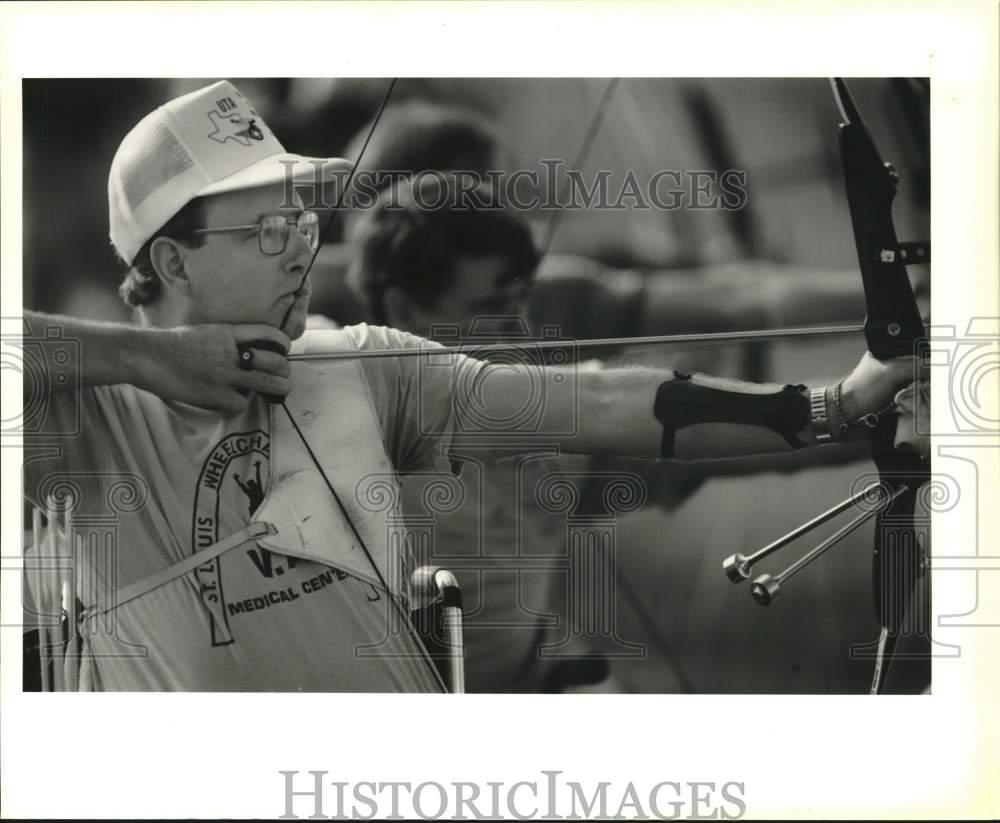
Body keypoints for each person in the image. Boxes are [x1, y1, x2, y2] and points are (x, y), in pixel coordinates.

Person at [22, 80, 924, 692]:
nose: (301, 239)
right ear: (172, 261)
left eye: (301, 214)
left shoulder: (361, 366)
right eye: (265, 226)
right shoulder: (77, 426)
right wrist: (155, 361)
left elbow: (598, 404)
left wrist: (837, 404)